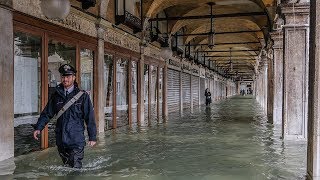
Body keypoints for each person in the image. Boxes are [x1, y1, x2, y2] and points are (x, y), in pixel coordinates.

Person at [33, 64, 97, 169]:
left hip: (76, 140)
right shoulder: (56, 95)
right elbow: (47, 113)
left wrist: (92, 137)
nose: (65, 79)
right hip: (61, 140)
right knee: (67, 167)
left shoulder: (82, 96)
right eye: (63, 77)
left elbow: (89, 117)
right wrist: (38, 128)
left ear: (74, 77)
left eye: (68, 76)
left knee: (74, 169)